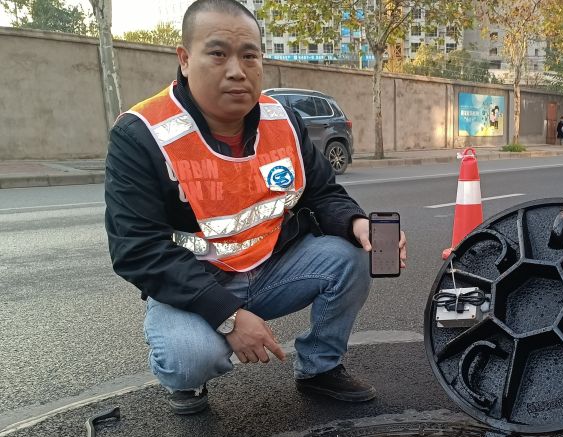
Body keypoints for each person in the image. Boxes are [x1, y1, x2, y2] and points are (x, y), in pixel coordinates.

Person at [104, 0, 407, 415]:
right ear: (185, 58)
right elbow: (136, 249)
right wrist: (228, 316)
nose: (236, 70)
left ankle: (320, 368)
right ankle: (187, 381)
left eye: (249, 55)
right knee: (189, 357)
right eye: (218, 53)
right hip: (196, 283)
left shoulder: (282, 119)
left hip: (271, 269)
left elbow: (322, 192)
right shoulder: (142, 135)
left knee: (351, 255)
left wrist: (357, 223)